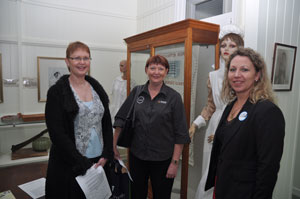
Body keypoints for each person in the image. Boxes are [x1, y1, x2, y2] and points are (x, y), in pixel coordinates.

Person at [205, 48, 285, 199]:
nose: (237, 75)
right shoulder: (230, 105)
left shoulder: (267, 111)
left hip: (245, 192)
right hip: (223, 187)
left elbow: (268, 168)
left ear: (257, 75)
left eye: (245, 70)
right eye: (233, 69)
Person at [113, 55, 190, 199]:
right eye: (152, 68)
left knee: (162, 195)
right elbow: (121, 119)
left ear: (166, 71)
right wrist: (114, 146)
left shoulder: (174, 97)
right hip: (137, 157)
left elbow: (180, 133)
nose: (156, 72)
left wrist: (174, 163)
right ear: (146, 70)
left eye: (161, 68)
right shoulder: (137, 92)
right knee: (136, 194)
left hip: (163, 160)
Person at [45, 41, 113, 199]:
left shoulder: (97, 89)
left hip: (98, 162)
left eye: (86, 58)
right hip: (71, 165)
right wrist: (81, 162)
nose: (82, 62)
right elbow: (57, 134)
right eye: (77, 58)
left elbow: (106, 123)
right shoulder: (57, 92)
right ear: (67, 61)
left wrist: (106, 153)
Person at [191, 24, 244, 199]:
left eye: (232, 45)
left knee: (229, 172)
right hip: (214, 126)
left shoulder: (244, 74)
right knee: (210, 171)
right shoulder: (213, 76)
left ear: (240, 48)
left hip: (237, 127)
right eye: (223, 45)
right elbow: (210, 107)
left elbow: (247, 107)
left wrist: (226, 131)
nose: (226, 49)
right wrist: (195, 124)